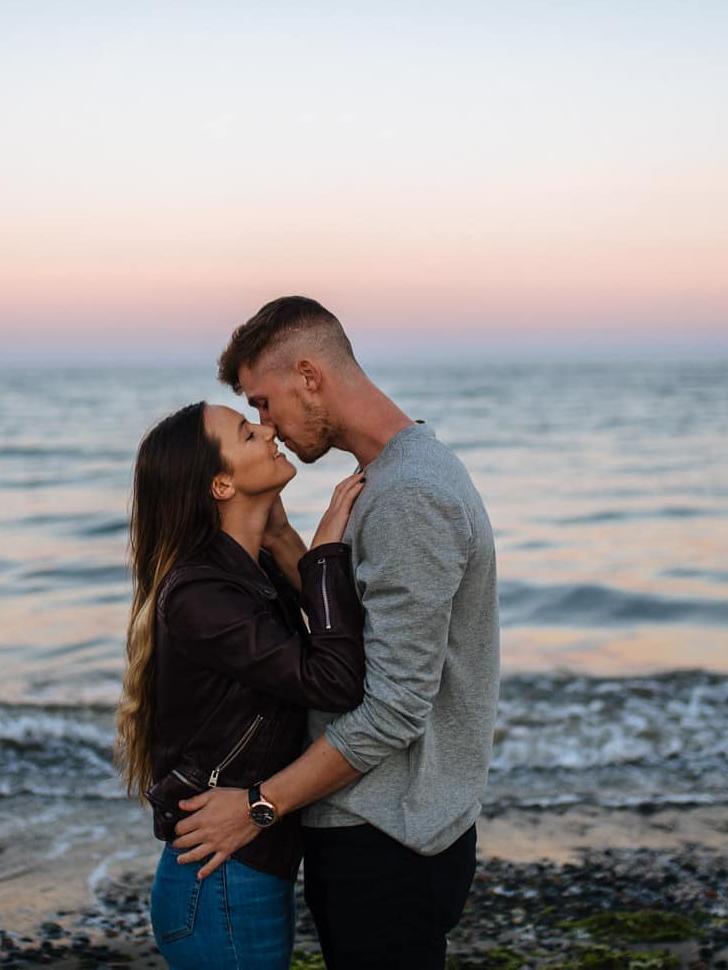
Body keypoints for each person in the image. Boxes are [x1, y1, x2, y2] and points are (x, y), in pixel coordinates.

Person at [171, 297, 501, 969]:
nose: (267, 426)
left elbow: (393, 709)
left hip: (388, 836)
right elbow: (345, 635)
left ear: (310, 376)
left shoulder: (408, 495)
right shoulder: (383, 478)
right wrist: (291, 538)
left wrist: (258, 808)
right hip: (379, 823)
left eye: (265, 402)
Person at [115, 399, 367, 969]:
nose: (269, 429)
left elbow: (325, 655)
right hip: (220, 879)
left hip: (236, 871)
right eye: (247, 434)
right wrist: (324, 555)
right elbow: (336, 682)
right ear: (222, 484)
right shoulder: (203, 593)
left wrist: (287, 545)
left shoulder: (243, 572)